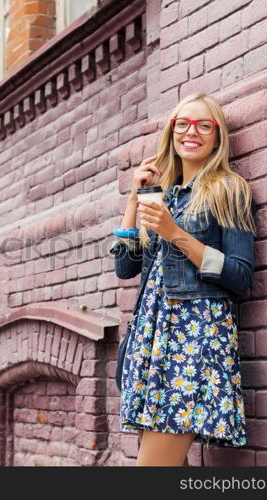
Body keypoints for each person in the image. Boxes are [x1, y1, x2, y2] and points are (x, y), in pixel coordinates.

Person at [108, 91, 257, 466]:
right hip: (152, 336)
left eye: (205, 125)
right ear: (172, 132)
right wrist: (133, 202)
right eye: (184, 123)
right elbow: (125, 269)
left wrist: (176, 234)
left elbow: (240, 276)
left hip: (193, 339)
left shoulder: (228, 190)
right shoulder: (163, 196)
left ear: (217, 135)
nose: (193, 132)